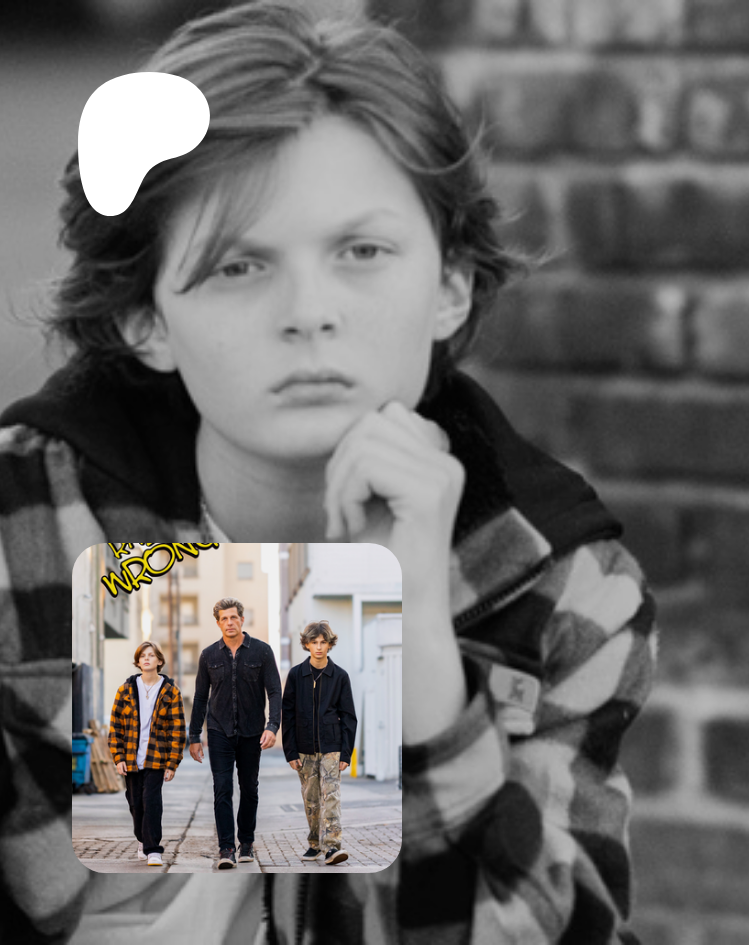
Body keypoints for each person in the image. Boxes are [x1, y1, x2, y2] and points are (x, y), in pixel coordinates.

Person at [0, 1, 657, 942]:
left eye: (362, 252)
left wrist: (416, 650)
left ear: (449, 286)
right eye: (239, 266)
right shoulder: (27, 521)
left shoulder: (564, 586)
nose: (309, 312)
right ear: (144, 317)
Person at [187, 597, 281, 870]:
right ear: (218, 623)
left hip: (253, 731)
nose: (229, 622)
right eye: (224, 619)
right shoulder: (208, 655)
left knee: (249, 788)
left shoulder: (262, 651)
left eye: (233, 617)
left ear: (242, 619)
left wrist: (272, 726)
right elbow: (200, 698)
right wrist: (194, 737)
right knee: (222, 788)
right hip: (219, 731)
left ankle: (246, 842)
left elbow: (275, 691)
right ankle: (226, 848)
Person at [281, 620, 357, 867]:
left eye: (323, 642)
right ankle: (315, 843)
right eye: (314, 642)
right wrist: (290, 751)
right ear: (306, 644)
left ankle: (332, 846)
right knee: (311, 799)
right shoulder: (296, 675)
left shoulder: (340, 676)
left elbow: (349, 717)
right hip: (304, 749)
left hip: (332, 747)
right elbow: (287, 715)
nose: (319, 647)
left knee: (331, 795)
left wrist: (346, 752)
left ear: (330, 644)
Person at [106, 642, 184, 869]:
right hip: (131, 758)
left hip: (156, 758)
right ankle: (142, 838)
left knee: (152, 801)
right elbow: (115, 726)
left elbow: (177, 730)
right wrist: (118, 757)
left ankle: (153, 849)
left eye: (151, 655)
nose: (147, 659)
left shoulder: (171, 691)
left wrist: (172, 763)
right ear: (138, 661)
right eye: (143, 656)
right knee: (135, 803)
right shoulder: (125, 689)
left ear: (159, 661)